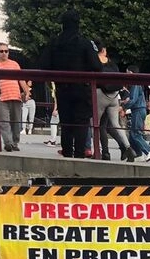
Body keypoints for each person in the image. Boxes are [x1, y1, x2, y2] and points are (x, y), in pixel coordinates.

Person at [43, 9, 102, 158]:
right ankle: (80, 156)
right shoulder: (84, 43)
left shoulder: (54, 43)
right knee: (81, 124)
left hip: (62, 88)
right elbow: (97, 66)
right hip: (81, 89)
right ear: (78, 24)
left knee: (66, 123)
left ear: (62, 24)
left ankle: (67, 154)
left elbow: (43, 65)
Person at [93, 44, 134, 161]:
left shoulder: (94, 62)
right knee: (115, 125)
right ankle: (128, 148)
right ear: (104, 50)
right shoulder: (112, 63)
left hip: (101, 93)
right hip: (114, 95)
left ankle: (103, 152)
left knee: (97, 125)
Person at [0, 42, 29, 152]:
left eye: (6, 51)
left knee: (16, 122)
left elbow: (21, 79)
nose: (4, 53)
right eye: (1, 51)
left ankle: (15, 143)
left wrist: (27, 92)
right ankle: (8, 143)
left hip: (16, 96)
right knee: (4, 122)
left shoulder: (14, 64)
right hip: (2, 97)